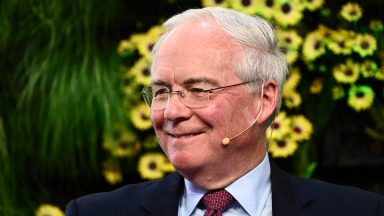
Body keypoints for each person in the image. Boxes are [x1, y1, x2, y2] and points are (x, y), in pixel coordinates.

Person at [66, 7, 384, 216]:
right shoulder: (94, 212)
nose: (172, 111)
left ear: (264, 99)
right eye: (162, 91)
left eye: (200, 90)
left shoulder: (359, 211)